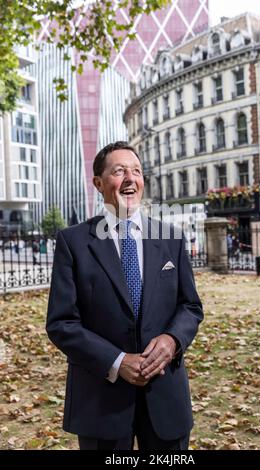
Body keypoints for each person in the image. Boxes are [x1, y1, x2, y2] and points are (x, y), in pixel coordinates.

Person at [46, 141, 203, 451]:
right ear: (99, 183)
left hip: (165, 397)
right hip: (100, 402)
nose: (131, 179)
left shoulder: (170, 238)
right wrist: (117, 361)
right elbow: (61, 323)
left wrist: (172, 340)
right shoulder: (73, 242)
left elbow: (190, 306)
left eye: (137, 171)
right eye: (119, 171)